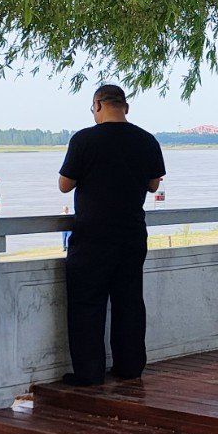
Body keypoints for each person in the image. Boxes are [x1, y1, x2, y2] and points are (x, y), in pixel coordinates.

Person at [56, 84, 166, 385]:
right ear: (125, 107)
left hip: (92, 234)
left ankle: (89, 373)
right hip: (132, 233)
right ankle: (129, 367)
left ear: (98, 105)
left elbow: (65, 185)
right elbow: (154, 185)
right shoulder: (146, 140)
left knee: (86, 303)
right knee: (129, 302)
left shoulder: (84, 139)